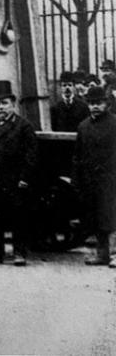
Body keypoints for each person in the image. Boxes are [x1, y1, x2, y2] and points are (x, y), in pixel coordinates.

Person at [0, 80, 38, 266]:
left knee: (17, 217)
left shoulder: (23, 126)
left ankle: (19, 253)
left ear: (13, 104)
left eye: (4, 103)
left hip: (13, 181)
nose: (1, 107)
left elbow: (31, 156)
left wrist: (25, 179)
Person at [72, 86, 116, 267]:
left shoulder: (114, 123)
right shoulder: (83, 126)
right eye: (91, 103)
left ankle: (114, 254)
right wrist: (77, 179)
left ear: (106, 104)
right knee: (97, 217)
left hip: (111, 179)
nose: (94, 107)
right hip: (90, 180)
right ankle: (102, 254)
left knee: (112, 217)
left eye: (98, 103)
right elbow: (77, 155)